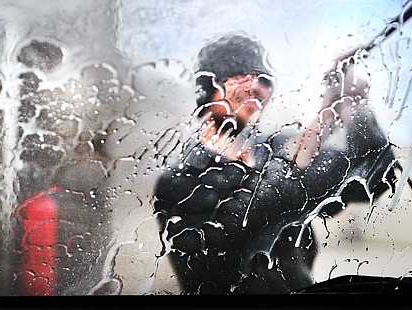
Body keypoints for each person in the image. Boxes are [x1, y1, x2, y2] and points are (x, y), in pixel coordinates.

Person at [153, 34, 397, 294]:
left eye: (264, 79)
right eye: (241, 73)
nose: (257, 86)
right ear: (210, 85)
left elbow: (373, 180)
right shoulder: (179, 180)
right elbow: (239, 226)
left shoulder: (277, 148)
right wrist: (325, 114)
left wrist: (353, 104)